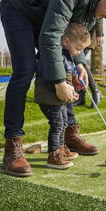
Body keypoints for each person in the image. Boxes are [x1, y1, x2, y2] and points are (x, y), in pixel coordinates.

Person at [0, 0, 106, 177]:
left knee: (68, 68)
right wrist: (58, 82)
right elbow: (50, 35)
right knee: (25, 69)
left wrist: (79, 64)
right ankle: (13, 147)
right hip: (20, 5)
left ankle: (68, 134)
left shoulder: (97, 1)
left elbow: (75, 32)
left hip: (46, 15)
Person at [34, 23, 90, 170]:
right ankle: (54, 154)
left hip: (58, 98)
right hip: (48, 97)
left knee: (64, 122)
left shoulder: (67, 56)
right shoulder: (53, 55)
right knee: (57, 124)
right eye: (78, 48)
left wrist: (73, 87)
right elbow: (48, 76)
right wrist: (62, 86)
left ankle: (61, 148)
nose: (79, 53)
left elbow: (66, 79)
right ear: (66, 42)